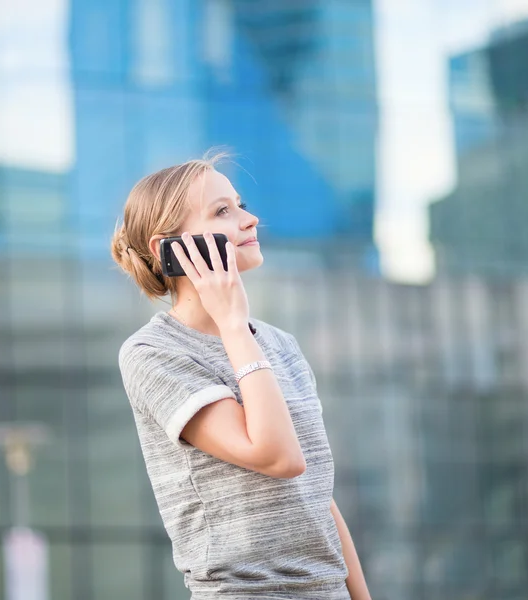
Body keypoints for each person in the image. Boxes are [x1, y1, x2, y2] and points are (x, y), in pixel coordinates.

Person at [111, 151, 372, 600]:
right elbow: (277, 457)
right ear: (168, 249)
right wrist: (232, 322)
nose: (250, 220)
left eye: (240, 205)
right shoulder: (152, 353)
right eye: (222, 212)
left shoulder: (280, 345)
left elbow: (313, 493)